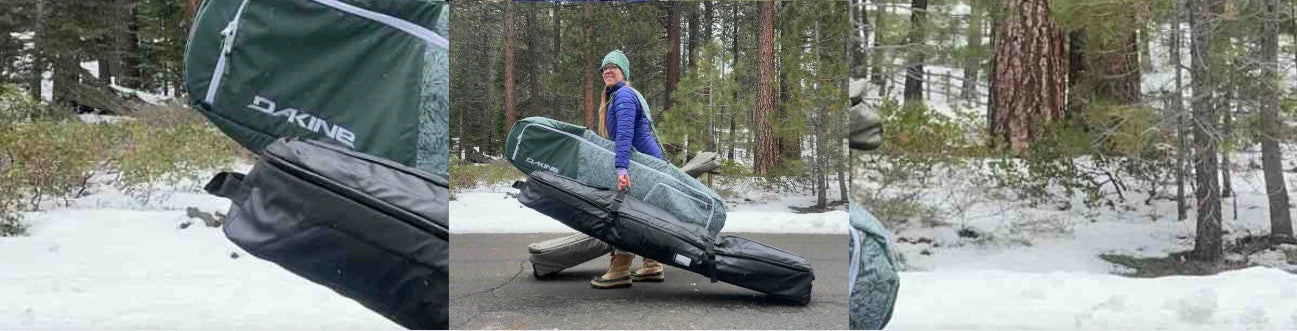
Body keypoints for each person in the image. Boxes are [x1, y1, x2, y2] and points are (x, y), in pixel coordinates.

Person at [590, 50, 666, 289]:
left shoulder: (622, 96)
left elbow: (624, 136)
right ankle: (653, 265)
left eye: (614, 66)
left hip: (640, 166)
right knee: (643, 215)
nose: (608, 71)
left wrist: (621, 169)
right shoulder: (619, 96)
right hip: (648, 165)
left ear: (624, 72)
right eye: (604, 68)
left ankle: (621, 268)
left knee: (622, 215)